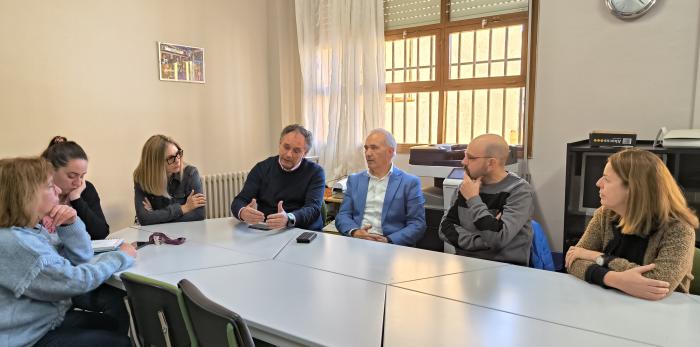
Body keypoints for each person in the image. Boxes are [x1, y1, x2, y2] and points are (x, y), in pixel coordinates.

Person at [0, 156, 136, 347]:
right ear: (26, 195)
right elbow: (76, 281)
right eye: (49, 185)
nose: (57, 189)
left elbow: (82, 259)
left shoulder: (30, 230)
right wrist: (121, 256)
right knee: (119, 342)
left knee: (111, 324)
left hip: (43, 322)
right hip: (25, 338)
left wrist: (71, 224)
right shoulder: (14, 242)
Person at [566, 148, 697, 300]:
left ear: (634, 188)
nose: (598, 183)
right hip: (609, 303)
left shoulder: (679, 229)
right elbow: (573, 261)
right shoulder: (605, 214)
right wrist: (616, 280)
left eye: (606, 179)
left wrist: (595, 256)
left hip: (661, 313)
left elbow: (659, 284)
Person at [439, 133, 534, 265]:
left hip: (506, 272)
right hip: (466, 266)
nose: (463, 162)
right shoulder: (466, 186)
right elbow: (445, 229)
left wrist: (473, 199)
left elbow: (498, 239)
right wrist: (483, 241)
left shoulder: (519, 191)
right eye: (465, 155)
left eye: (470, 158)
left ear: (491, 163)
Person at [335, 129, 426, 246]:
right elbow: (343, 215)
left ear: (390, 152)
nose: (368, 153)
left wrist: (388, 240)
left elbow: (417, 224)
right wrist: (355, 232)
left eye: (374, 148)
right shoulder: (354, 180)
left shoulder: (409, 183)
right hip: (358, 242)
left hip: (392, 246)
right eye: (366, 148)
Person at [231, 124, 325, 231]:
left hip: (304, 231)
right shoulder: (262, 168)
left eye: (296, 151)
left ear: (305, 153)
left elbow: (313, 209)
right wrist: (243, 212)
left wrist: (289, 218)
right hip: (269, 231)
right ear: (279, 144)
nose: (289, 154)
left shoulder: (315, 172)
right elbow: (239, 200)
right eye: (286, 147)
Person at [41, 136, 110, 239]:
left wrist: (76, 199)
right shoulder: (36, 194)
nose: (78, 183)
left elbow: (101, 233)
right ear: (51, 171)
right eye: (71, 176)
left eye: (82, 176)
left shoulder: (85, 189)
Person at [133, 135, 206, 225]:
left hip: (186, 233)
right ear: (155, 163)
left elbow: (199, 215)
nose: (177, 160)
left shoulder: (191, 173)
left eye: (178, 153)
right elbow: (144, 219)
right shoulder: (142, 179)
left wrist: (155, 216)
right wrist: (183, 208)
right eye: (171, 158)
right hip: (156, 236)